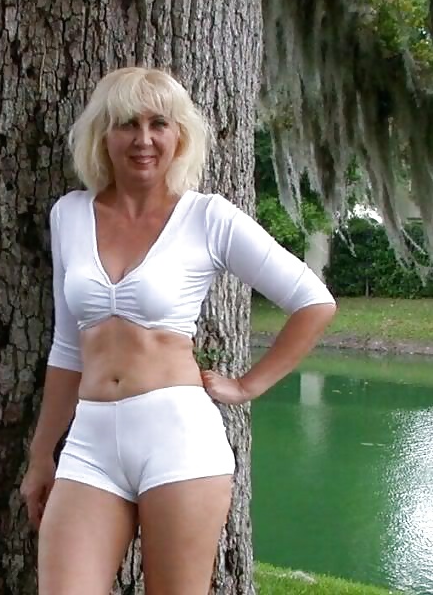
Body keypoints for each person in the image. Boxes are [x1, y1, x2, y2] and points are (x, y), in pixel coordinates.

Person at [20, 66, 337, 595]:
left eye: (158, 124)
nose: (143, 139)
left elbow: (313, 302)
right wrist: (40, 455)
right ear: (103, 135)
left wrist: (247, 386)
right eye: (127, 124)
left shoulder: (207, 217)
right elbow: (68, 348)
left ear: (179, 136)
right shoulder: (69, 215)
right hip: (90, 444)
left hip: (178, 442)